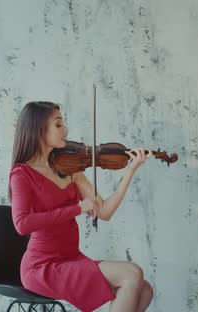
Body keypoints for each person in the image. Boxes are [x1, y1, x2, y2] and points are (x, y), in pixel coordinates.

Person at [9, 101, 153, 312]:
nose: (66, 130)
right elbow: (22, 224)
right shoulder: (22, 174)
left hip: (71, 258)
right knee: (132, 273)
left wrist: (131, 170)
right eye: (58, 125)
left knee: (145, 289)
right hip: (42, 267)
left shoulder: (69, 168)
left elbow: (104, 212)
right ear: (38, 129)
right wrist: (77, 208)